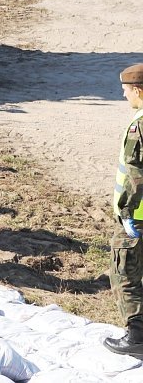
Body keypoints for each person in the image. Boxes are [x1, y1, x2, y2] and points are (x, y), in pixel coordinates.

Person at [104, 63, 143, 358]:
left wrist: (125, 211)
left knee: (124, 273)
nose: (123, 94)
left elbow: (134, 173)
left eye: (126, 89)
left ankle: (137, 336)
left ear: (138, 91)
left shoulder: (138, 124)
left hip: (137, 219)